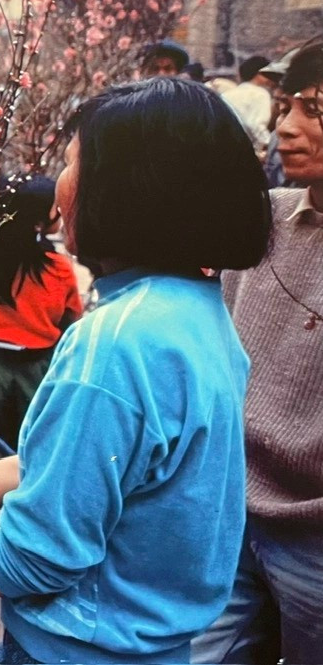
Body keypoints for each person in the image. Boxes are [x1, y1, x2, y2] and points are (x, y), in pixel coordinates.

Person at [0, 77, 271, 664]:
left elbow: (43, 555)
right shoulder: (196, 312)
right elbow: (95, 477)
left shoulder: (115, 344)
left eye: (73, 163)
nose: (59, 191)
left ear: (130, 189)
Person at [191, 42, 323, 664]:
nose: (287, 127)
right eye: (287, 105)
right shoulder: (264, 222)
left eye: (315, 110)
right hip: (230, 513)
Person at [0, 173, 82, 541]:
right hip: (36, 377)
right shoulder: (57, 270)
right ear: (39, 221)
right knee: (28, 466)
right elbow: (71, 322)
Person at [220, 55, 280, 160]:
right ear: (258, 74)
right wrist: (271, 145)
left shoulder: (228, 94)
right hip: (245, 151)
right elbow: (256, 125)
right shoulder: (260, 94)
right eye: (267, 75)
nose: (271, 80)